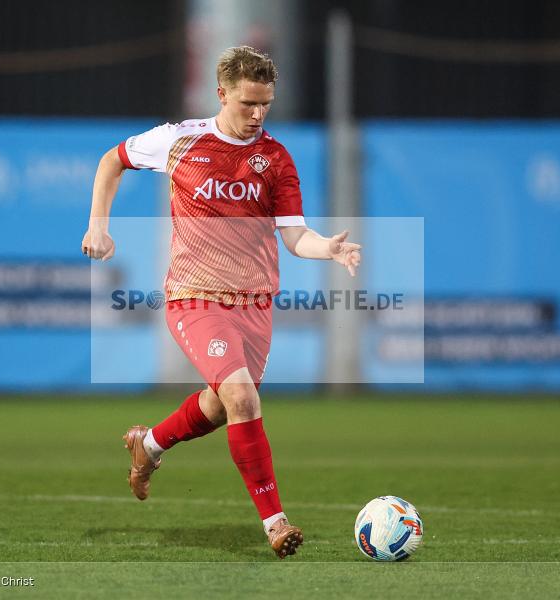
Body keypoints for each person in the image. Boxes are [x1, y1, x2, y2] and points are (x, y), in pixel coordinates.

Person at [81, 46, 361, 559]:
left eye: (266, 105)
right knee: (242, 399)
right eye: (248, 103)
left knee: (219, 405)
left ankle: (149, 445)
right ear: (223, 93)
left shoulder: (275, 159)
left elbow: (295, 236)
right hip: (194, 297)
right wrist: (98, 225)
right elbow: (111, 161)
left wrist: (328, 249)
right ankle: (275, 522)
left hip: (255, 303)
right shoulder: (180, 140)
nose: (257, 115)